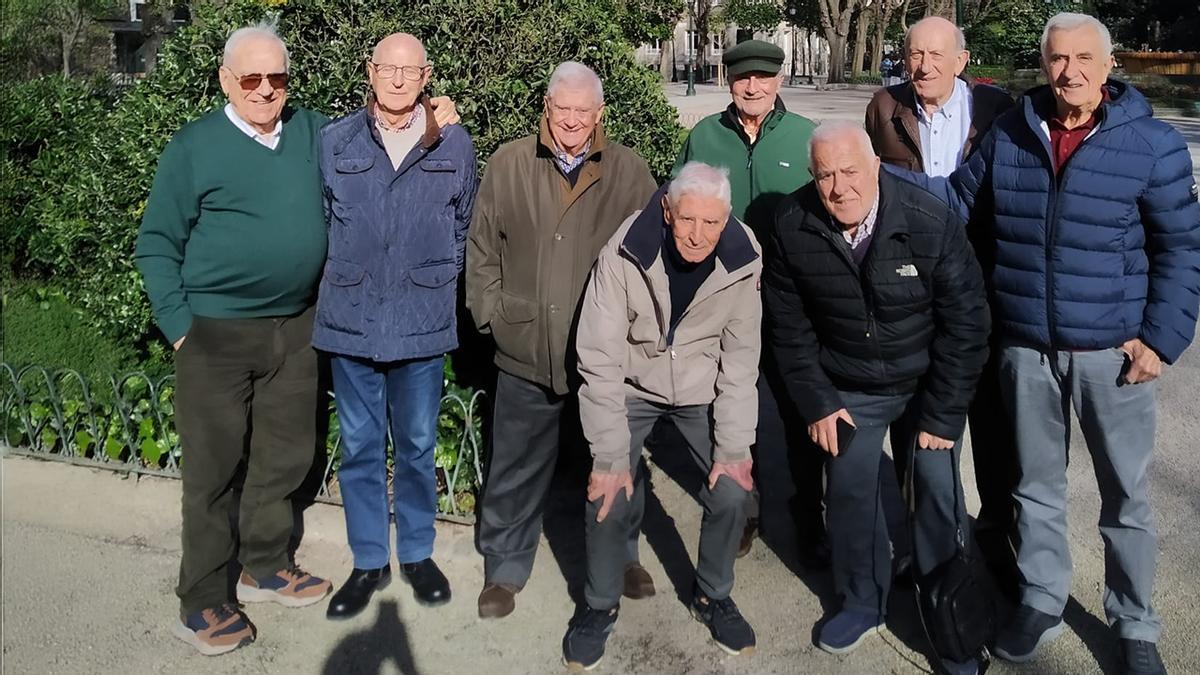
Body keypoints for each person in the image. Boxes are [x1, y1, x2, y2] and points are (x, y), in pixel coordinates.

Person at [887, 13, 1200, 675]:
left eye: (1084, 58)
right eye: (1058, 58)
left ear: (1109, 66)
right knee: (1034, 487)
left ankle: (1135, 622)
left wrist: (1161, 340)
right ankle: (1041, 598)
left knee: (1126, 496)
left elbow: (1181, 249)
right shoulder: (1011, 133)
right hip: (1026, 346)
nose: (1070, 71)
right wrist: (876, 178)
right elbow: (955, 202)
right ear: (1044, 64)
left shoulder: (1152, 144)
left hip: (1112, 354)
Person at [135, 22, 461, 656]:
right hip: (215, 333)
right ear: (226, 80)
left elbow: (378, 128)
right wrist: (179, 329)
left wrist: (433, 111)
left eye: (277, 77)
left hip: (296, 327)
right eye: (251, 77)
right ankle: (202, 599)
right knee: (213, 471)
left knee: (283, 457)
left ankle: (263, 565)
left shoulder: (313, 133)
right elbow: (156, 243)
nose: (265, 89)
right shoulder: (195, 146)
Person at [763, 122, 990, 675]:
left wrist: (942, 414)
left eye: (850, 172)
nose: (839, 187)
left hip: (925, 380)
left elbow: (967, 324)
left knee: (936, 491)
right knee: (849, 489)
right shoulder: (791, 224)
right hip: (849, 383)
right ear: (811, 176)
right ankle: (862, 601)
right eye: (824, 176)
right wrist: (818, 401)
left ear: (876, 167)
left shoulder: (930, 219)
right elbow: (789, 330)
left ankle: (947, 613)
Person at [465, 61, 657, 619]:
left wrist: (637, 333)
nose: (571, 121)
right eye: (562, 108)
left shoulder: (628, 170)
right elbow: (482, 251)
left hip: (604, 359)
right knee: (515, 466)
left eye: (583, 111)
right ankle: (504, 566)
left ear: (600, 114)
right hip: (524, 348)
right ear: (546, 107)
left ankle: (621, 555)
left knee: (615, 460)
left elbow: (654, 255)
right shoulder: (509, 163)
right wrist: (494, 316)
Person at [562, 162, 761, 669]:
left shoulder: (744, 258)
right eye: (687, 219)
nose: (698, 235)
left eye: (711, 223)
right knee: (608, 486)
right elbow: (599, 358)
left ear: (726, 218)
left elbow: (741, 362)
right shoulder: (625, 251)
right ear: (668, 211)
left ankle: (712, 594)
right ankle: (599, 603)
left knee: (734, 487)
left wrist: (734, 449)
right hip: (634, 381)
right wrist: (610, 456)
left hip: (699, 385)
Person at [313, 33, 478, 620]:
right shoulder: (335, 140)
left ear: (427, 75)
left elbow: (463, 224)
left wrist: (431, 280)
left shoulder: (453, 142)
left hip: (421, 324)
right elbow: (325, 220)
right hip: (352, 323)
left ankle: (416, 553)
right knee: (359, 447)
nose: (399, 79)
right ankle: (367, 561)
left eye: (411, 70)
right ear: (371, 71)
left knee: (416, 445)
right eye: (389, 68)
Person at [863, 15, 1018, 595]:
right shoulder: (884, 107)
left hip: (985, 284)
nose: (923, 66)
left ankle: (997, 539)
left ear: (961, 60)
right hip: (916, 289)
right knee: (919, 428)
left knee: (993, 426)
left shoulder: (996, 110)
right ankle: (929, 547)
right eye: (914, 53)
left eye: (935, 55)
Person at [673, 38, 824, 565]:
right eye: (743, 78)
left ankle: (810, 517)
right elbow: (675, 206)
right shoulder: (704, 136)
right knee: (729, 409)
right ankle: (742, 508)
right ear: (729, 81)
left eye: (763, 77)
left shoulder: (805, 136)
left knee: (798, 409)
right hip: (722, 301)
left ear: (779, 81)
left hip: (791, 303)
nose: (753, 87)